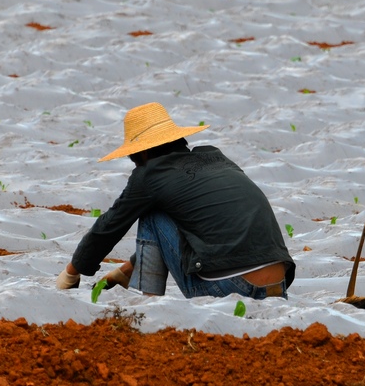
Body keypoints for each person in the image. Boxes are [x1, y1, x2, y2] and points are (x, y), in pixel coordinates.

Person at [55, 102, 295, 299]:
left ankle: (147, 305)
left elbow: (107, 228)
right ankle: (133, 278)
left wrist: (71, 273)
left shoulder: (150, 176)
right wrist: (126, 269)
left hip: (231, 288)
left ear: (144, 152)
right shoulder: (215, 158)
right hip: (277, 288)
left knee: (152, 213)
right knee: (175, 212)